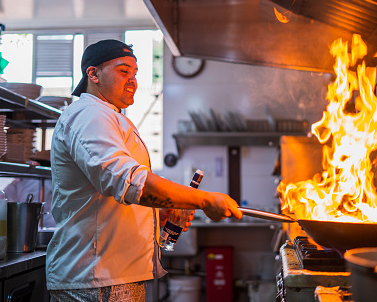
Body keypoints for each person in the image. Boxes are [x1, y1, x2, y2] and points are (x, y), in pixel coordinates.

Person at [46, 39, 242, 301]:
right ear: (93, 74)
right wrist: (204, 199)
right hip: (96, 277)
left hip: (111, 275)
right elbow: (126, 180)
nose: (133, 80)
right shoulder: (89, 115)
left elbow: (115, 194)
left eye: (135, 73)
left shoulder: (110, 116)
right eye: (123, 71)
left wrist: (155, 214)